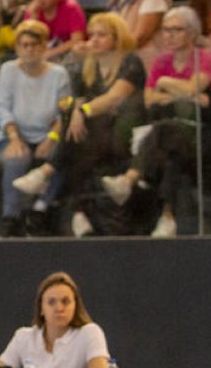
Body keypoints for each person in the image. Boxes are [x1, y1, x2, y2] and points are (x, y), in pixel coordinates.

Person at [12, 13, 145, 238]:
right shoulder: (88, 65)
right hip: (95, 134)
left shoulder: (130, 61)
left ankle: (48, 174)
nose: (94, 39)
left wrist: (82, 111)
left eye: (101, 35)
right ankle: (75, 210)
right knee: (72, 122)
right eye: (91, 34)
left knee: (81, 126)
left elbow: (114, 98)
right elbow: (73, 99)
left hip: (126, 130)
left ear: (117, 37)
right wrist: (75, 111)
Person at [101, 7, 211, 239]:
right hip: (170, 138)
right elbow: (149, 100)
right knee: (169, 151)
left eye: (176, 29)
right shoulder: (161, 60)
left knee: (164, 130)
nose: (169, 35)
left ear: (191, 32)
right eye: (165, 30)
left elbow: (192, 89)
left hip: (199, 133)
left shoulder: (204, 57)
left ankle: (130, 178)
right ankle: (167, 218)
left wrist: (166, 83)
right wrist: (185, 93)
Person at [0, 20, 71, 237]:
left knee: (60, 155)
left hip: (48, 133)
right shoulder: (7, 70)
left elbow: (62, 113)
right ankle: (11, 217)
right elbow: (2, 107)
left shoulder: (59, 74)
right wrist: (14, 138)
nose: (29, 49)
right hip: (14, 133)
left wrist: (51, 137)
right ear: (17, 48)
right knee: (15, 158)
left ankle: (40, 210)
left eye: (34, 45)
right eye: (24, 45)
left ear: (44, 46)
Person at [21, 0, 87, 62]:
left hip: (68, 57)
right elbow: (27, 42)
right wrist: (33, 17)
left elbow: (77, 40)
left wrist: (51, 53)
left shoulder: (71, 8)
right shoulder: (32, 11)